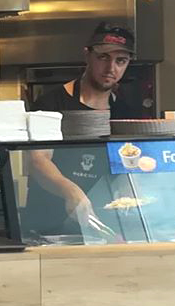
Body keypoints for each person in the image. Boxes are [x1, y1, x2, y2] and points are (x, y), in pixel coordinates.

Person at [22, 22, 135, 237]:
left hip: (101, 224)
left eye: (120, 61)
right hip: (49, 224)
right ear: (87, 55)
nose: (111, 68)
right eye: (103, 57)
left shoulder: (124, 110)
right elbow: (38, 160)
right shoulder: (51, 102)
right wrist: (71, 191)